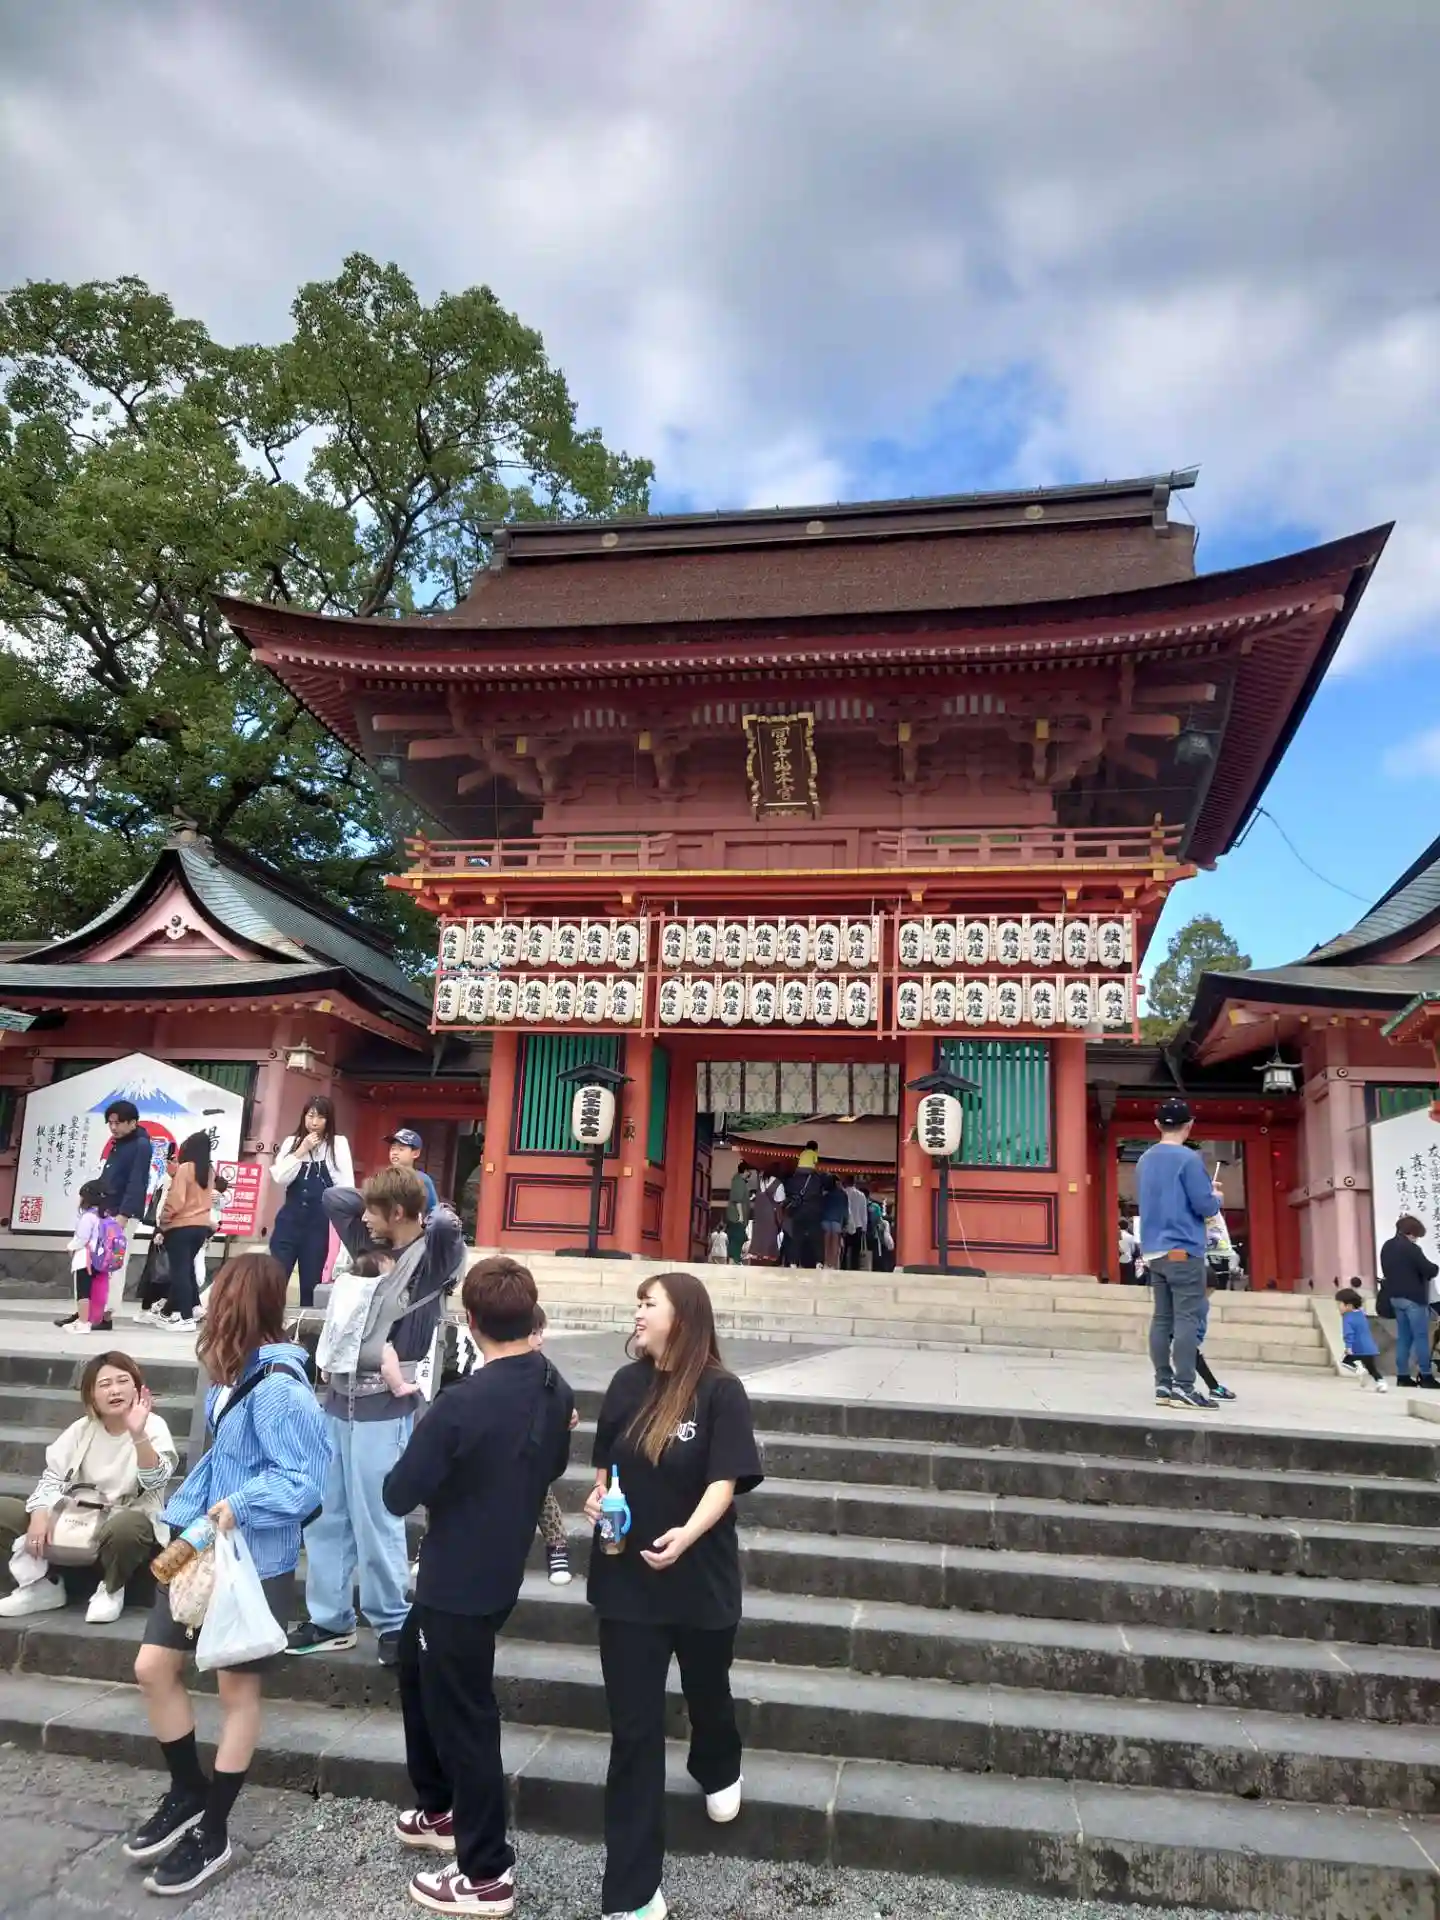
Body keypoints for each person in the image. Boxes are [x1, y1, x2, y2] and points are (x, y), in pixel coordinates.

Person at [125, 1254, 329, 1896]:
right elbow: (225, 1461)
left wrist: (240, 1504)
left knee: (237, 1694)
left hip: (254, 1558)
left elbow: (305, 1480)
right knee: (152, 1666)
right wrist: (191, 1521)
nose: (208, 1306)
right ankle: (189, 1789)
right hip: (202, 1543)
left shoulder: (281, 1387)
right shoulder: (233, 1377)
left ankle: (213, 1830)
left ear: (238, 1305)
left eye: (217, 1297)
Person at [383, 1255, 573, 1917]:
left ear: (469, 1320)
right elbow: (552, 1464)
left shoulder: (460, 1404)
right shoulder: (553, 1384)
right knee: (416, 1666)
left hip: (456, 1575)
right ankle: (438, 1806)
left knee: (465, 1716)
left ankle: (487, 1870)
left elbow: (398, 1493)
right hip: (498, 1564)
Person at [585, 1272, 763, 1920]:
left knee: (707, 1690)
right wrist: (597, 1496)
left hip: (699, 1579)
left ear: (682, 1318)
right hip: (626, 1582)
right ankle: (632, 1894)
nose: (637, 1313)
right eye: (637, 1303)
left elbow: (724, 1480)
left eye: (648, 1304)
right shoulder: (624, 1384)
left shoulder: (720, 1391)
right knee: (633, 1734)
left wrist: (687, 1534)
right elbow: (606, 1466)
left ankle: (717, 1761)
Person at [286, 1168, 464, 1668]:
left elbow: (447, 1226)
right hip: (338, 1396)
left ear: (401, 1213)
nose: (363, 1217)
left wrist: (425, 1204)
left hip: (385, 1404)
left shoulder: (432, 1257)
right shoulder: (370, 1241)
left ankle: (392, 1621)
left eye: (375, 1210)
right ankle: (330, 1619)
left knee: (378, 1515)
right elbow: (333, 1198)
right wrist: (384, 1189)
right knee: (326, 1514)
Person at [0, 1350, 176, 1623]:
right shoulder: (81, 1430)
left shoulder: (154, 1427)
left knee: (127, 1526)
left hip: (123, 1520)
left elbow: (155, 1480)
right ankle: (40, 1584)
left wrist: (138, 1434)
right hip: (75, 1516)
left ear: (137, 1388)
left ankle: (112, 1588)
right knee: (4, 1511)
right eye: (105, 1384)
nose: (115, 1390)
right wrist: (39, 1513)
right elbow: (52, 1479)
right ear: (91, 1395)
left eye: (123, 1381)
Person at [1135, 1097, 1223, 1412]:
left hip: (1154, 1250)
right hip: (1182, 1248)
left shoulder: (1144, 1159)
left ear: (1157, 1124)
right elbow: (1205, 1206)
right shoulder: (1188, 1159)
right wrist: (1216, 1196)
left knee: (1162, 1317)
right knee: (1187, 1317)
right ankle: (1184, 1386)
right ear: (1189, 1125)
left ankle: (1163, 1383)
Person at [268, 1097, 355, 1309]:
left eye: (320, 1117)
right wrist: (301, 1150)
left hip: (319, 1224)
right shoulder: (292, 1142)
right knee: (275, 1278)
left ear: (328, 1119)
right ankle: (269, 1322)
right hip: (289, 1222)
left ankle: (309, 1325)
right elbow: (280, 1177)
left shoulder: (338, 1144)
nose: (314, 1122)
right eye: (310, 1116)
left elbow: (345, 1185)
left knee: (312, 1282)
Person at [155, 1131, 226, 1330]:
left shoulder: (186, 1169)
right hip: (201, 1228)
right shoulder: (209, 1172)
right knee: (185, 1271)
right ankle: (171, 1312)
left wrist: (163, 1222)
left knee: (180, 1273)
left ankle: (185, 1318)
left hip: (181, 1227)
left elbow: (176, 1200)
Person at [530, 1305, 580, 1585]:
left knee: (543, 1495)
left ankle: (557, 1546)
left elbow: (561, 1396)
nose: (540, 1340)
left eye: (541, 1332)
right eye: (533, 1333)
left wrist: (568, 1413)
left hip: (532, 1451)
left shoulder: (545, 1368)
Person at [1378, 1214, 1439, 1389]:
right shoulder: (1411, 1249)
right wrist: (1436, 1268)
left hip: (1395, 1298)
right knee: (1421, 1337)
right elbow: (1429, 1270)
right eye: (1416, 1235)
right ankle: (1425, 1375)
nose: (1416, 1239)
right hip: (1414, 1299)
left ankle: (1403, 1376)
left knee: (1404, 1338)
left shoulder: (1387, 1246)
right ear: (1410, 1232)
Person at [56, 1180, 123, 1334]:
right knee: (97, 1292)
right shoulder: (108, 1217)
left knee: (83, 1293)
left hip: (85, 1259)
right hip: (102, 1260)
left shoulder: (88, 1217)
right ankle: (93, 1320)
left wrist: (70, 1247)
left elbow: (82, 1238)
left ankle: (83, 1323)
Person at [98, 1099, 154, 1237]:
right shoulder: (120, 1142)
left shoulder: (141, 1144)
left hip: (124, 1213)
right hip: (109, 1208)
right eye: (110, 1123)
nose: (113, 1127)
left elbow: (137, 1181)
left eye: (117, 1123)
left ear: (133, 1123)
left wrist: (124, 1214)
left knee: (118, 1250)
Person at [1336, 1285, 1387, 1391]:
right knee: (1372, 1368)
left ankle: (1360, 1370)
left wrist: (1348, 1346)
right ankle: (1381, 1383)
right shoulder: (1361, 1314)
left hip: (1357, 1347)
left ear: (1349, 1306)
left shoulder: (1347, 1317)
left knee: (1345, 1362)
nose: (1338, 1307)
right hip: (1369, 1347)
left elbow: (1348, 1333)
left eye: (1340, 1304)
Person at [387, 1129, 439, 1213]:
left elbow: (434, 1211)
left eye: (401, 1149)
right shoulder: (383, 1177)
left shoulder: (422, 1180)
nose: (395, 1153)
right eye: (393, 1149)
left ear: (415, 1153)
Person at [747, 1173, 785, 1266]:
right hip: (770, 1214)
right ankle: (768, 1256)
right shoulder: (777, 1183)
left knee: (758, 1235)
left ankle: (757, 1254)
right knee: (770, 1235)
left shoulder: (759, 1182)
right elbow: (780, 1199)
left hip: (759, 1213)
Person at [724, 1165, 753, 1264]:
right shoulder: (739, 1182)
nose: (750, 1174)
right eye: (749, 1171)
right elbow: (738, 1200)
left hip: (735, 1217)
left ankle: (733, 1261)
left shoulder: (739, 1181)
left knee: (736, 1239)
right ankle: (734, 1261)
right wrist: (740, 1216)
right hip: (736, 1217)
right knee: (737, 1238)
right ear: (745, 1171)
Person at [820, 1177, 848, 1269]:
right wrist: (845, 1222)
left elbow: (822, 1207)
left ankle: (826, 1262)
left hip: (825, 1219)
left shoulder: (826, 1194)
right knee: (835, 1244)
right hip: (837, 1220)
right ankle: (833, 1264)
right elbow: (845, 1210)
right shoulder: (843, 1195)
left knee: (826, 1244)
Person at [842, 1176, 868, 1270]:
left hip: (845, 1226)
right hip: (858, 1225)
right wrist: (864, 1228)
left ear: (845, 1182)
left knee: (844, 1250)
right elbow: (863, 1213)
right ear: (854, 1182)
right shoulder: (861, 1195)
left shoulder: (843, 1193)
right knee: (856, 1252)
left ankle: (843, 1267)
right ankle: (855, 1268)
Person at [1118, 1217, 1139, 1286]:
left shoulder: (1115, 1235)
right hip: (1128, 1260)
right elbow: (1133, 1250)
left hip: (1118, 1259)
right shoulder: (1130, 1237)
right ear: (1127, 1227)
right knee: (1128, 1280)